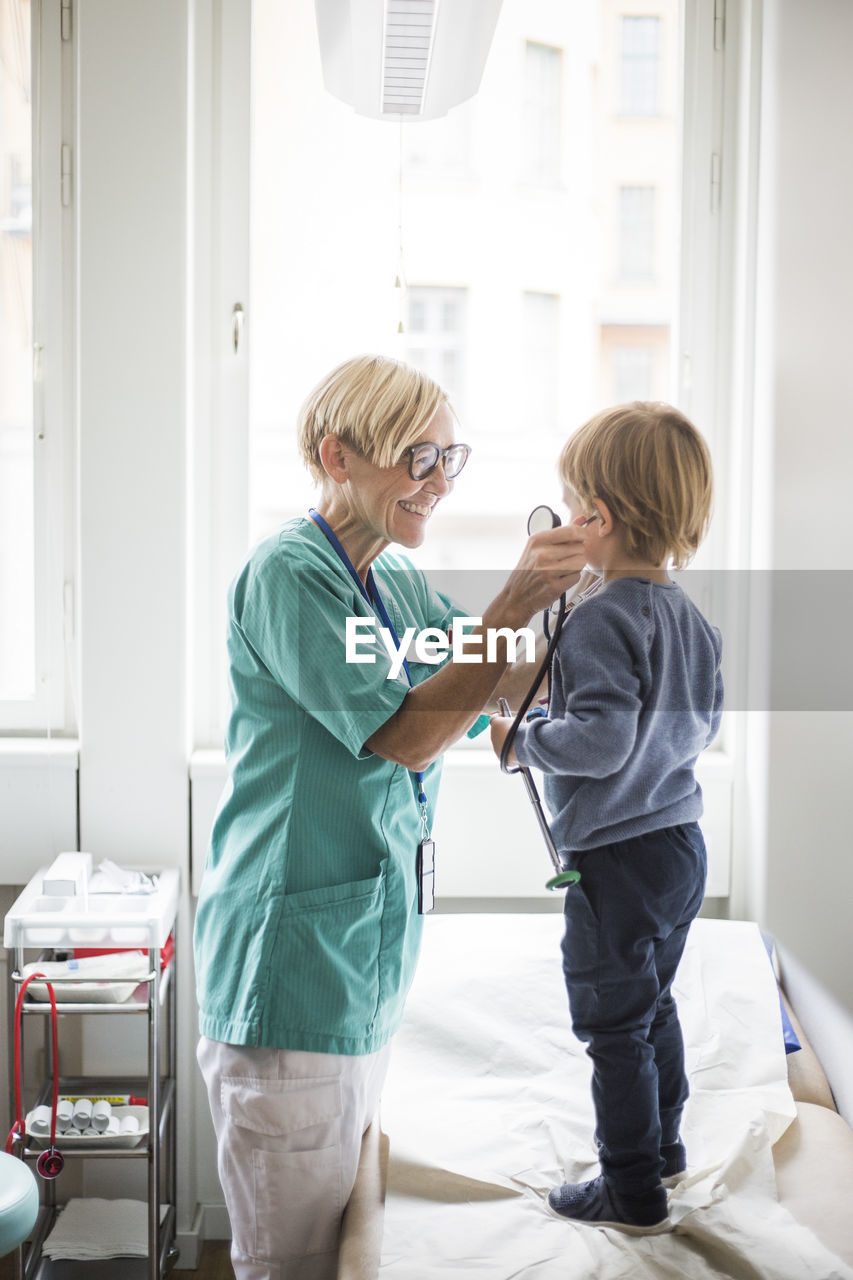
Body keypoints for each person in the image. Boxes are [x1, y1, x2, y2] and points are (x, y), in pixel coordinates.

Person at [193, 353, 589, 1280]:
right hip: (289, 976)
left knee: (345, 1250)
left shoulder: (397, 583)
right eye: (420, 458)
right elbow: (408, 736)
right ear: (338, 455)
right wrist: (516, 602)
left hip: (361, 964)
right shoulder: (290, 574)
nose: (441, 482)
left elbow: (494, 681)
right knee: (291, 1264)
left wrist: (610, 602)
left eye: (452, 458)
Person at [490, 401, 723, 1235]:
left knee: (610, 1026)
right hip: (680, 846)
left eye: (569, 504)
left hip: (616, 862)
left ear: (601, 518)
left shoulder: (596, 618)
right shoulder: (690, 620)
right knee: (652, 1003)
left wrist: (523, 738)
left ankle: (630, 1190)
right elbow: (693, 723)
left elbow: (595, 745)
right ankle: (662, 1149)